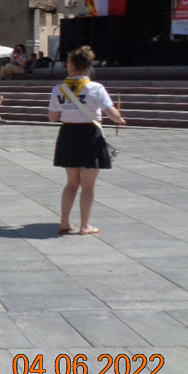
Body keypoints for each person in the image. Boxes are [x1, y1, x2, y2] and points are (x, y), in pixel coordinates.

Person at [49, 46, 125, 236]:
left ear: (71, 64)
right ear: (88, 66)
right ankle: (85, 226)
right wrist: (119, 118)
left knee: (71, 183)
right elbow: (112, 113)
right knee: (88, 185)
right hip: (90, 134)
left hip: (68, 134)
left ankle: (64, 222)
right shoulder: (96, 88)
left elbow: (53, 117)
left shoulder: (59, 89)